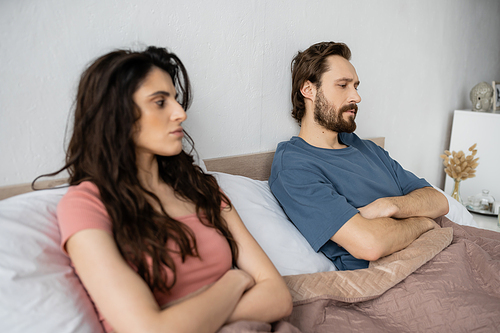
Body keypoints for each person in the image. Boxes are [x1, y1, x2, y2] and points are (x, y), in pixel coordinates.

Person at [47, 46, 292, 333]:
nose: (180, 113)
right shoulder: (85, 205)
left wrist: (187, 321)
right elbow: (151, 330)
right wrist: (234, 281)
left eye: (175, 99)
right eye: (160, 102)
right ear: (118, 115)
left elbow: (278, 297)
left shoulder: (200, 189)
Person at [269, 41, 449, 271]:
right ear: (308, 90)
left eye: (356, 86)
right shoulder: (295, 167)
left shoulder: (366, 149)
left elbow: (439, 201)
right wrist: (423, 222)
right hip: (398, 276)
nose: (356, 97)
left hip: (444, 250)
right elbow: (370, 244)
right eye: (343, 85)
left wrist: (389, 206)